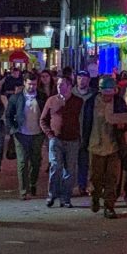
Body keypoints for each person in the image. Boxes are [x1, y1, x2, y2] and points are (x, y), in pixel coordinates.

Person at [85, 76, 127, 219]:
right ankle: (95, 196)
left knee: (112, 178)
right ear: (100, 91)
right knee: (96, 177)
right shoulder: (91, 103)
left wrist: (123, 126)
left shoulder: (118, 103)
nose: (108, 97)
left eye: (111, 93)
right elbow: (85, 123)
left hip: (113, 146)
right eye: (105, 93)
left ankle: (109, 206)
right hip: (95, 145)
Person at [40, 76, 83, 208]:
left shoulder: (78, 101)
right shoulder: (52, 101)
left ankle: (66, 197)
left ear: (70, 86)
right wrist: (50, 135)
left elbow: (83, 119)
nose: (59, 87)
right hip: (56, 140)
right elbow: (43, 120)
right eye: (58, 84)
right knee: (55, 167)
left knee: (70, 170)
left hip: (72, 140)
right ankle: (52, 194)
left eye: (63, 84)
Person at [4, 73, 48, 201]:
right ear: (24, 83)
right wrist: (12, 129)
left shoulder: (42, 97)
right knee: (22, 162)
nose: (31, 86)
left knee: (36, 161)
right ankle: (24, 190)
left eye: (34, 84)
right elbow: (8, 115)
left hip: (37, 134)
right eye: (29, 84)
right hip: (21, 133)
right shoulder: (16, 98)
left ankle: (32, 183)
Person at [73, 70, 97, 196]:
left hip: (89, 132)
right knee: (71, 161)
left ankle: (83, 185)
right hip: (73, 133)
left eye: (84, 78)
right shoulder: (70, 94)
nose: (82, 81)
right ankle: (70, 185)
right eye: (79, 78)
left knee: (86, 161)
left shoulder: (93, 95)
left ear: (88, 80)